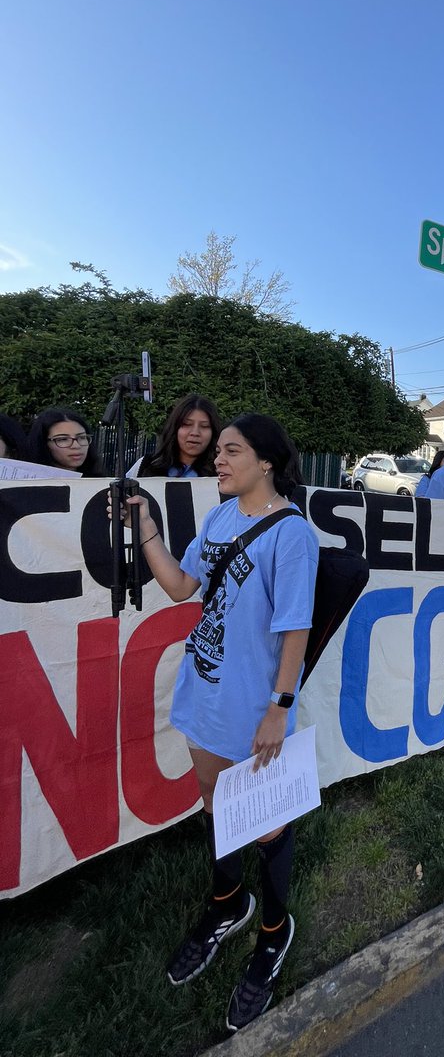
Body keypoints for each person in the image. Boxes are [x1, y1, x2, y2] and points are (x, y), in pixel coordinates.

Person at [122, 413, 319, 1031]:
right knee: (215, 805)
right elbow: (183, 587)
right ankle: (228, 902)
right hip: (203, 693)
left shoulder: (293, 535)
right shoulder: (219, 517)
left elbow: (296, 629)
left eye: (232, 451)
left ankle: (273, 929)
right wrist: (147, 528)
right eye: (219, 452)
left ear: (266, 461)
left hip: (253, 707)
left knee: (264, 826)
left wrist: (277, 711)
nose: (218, 460)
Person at [130, 393, 222, 478]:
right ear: (175, 428)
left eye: (204, 426)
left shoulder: (222, 471)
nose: (195, 433)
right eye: (186, 424)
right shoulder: (145, 466)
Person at [28, 407, 107, 475]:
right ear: (43, 443)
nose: (76, 446)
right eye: (63, 439)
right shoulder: (25, 483)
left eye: (82, 437)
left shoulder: (105, 485)